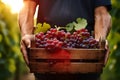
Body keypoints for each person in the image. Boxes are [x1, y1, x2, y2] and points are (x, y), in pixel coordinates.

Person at [18, 0, 112, 80]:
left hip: (85, 60)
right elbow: (28, 8)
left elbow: (102, 14)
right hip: (47, 58)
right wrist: (26, 34)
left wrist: (99, 40)